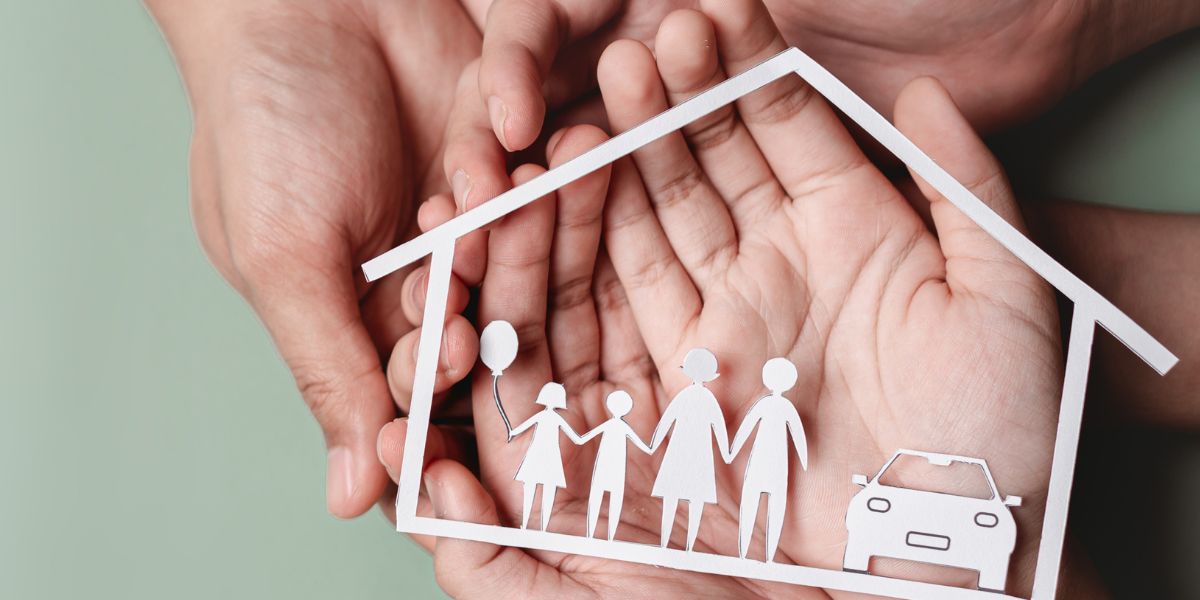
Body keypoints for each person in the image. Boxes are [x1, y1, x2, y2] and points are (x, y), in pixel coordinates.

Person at [727, 357, 809, 562]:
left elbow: (798, 436)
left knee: (758, 504)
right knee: (770, 505)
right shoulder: (780, 406)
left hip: (771, 463)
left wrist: (732, 452)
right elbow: (747, 428)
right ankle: (756, 555)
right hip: (769, 464)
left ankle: (755, 555)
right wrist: (733, 451)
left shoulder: (772, 406)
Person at [650, 348, 731, 552]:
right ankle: (687, 547)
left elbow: (667, 421)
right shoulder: (705, 398)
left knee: (673, 495)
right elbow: (719, 427)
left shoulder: (686, 396)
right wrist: (727, 453)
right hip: (696, 453)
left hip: (683, 450)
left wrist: (654, 445)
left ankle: (665, 544)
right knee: (694, 498)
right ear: (713, 375)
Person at [577, 390, 653, 540]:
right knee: (613, 499)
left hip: (608, 466)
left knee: (598, 497)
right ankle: (607, 538)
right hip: (612, 466)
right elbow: (647, 449)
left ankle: (591, 535)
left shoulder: (611, 425)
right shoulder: (622, 427)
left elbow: (581, 440)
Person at [507, 382, 584, 531]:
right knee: (538, 487)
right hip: (541, 454)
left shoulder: (548, 417)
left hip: (546, 456)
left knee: (537, 487)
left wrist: (512, 432)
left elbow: (518, 430)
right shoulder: (549, 417)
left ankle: (537, 526)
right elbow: (577, 438)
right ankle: (535, 526)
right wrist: (512, 432)